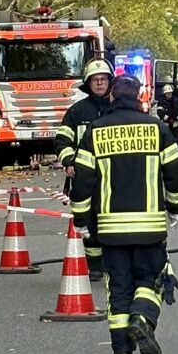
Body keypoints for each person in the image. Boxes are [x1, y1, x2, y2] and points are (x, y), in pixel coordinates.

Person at [69, 75, 178, 354]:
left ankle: (121, 352)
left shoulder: (96, 131)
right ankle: (142, 318)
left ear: (111, 97)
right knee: (152, 278)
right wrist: (174, 208)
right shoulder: (157, 129)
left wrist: (81, 219)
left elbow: (82, 181)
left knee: (118, 286)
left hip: (110, 228)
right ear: (139, 97)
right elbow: (174, 173)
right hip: (149, 227)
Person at [54, 58, 113, 281]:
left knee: (113, 221)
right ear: (88, 83)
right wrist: (69, 161)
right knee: (89, 221)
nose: (99, 83)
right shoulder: (77, 111)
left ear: (110, 82)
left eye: (103, 79)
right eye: (95, 79)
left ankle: (113, 262)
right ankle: (95, 265)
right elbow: (62, 140)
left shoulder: (117, 109)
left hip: (114, 176)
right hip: (86, 177)